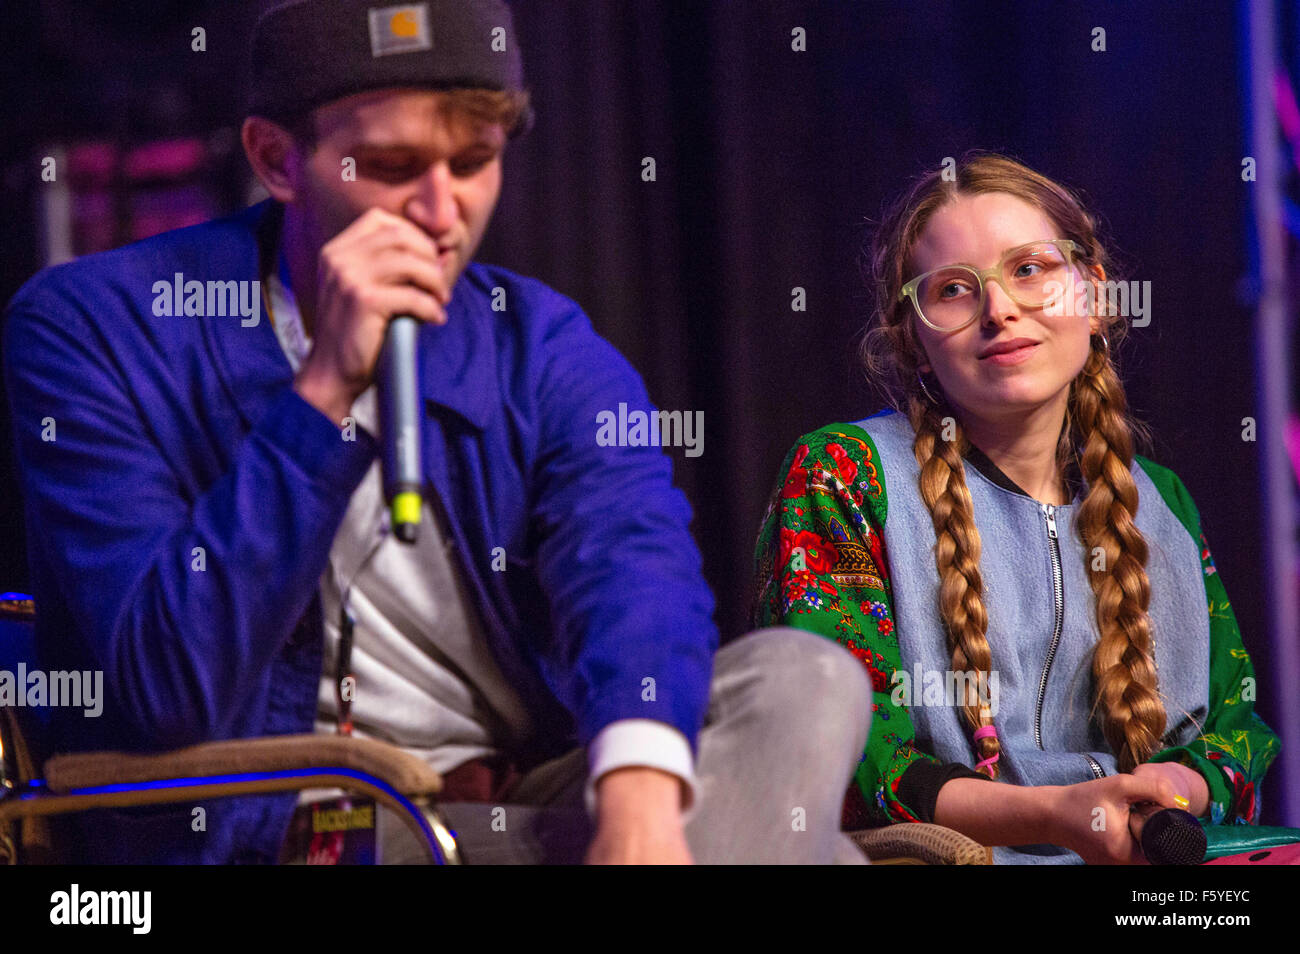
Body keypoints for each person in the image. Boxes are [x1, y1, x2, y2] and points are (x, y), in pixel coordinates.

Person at [3, 0, 870, 864]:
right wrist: (321, 398)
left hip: (518, 808)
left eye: (475, 163)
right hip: (290, 820)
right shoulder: (95, 328)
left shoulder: (540, 343)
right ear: (276, 159)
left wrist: (639, 816)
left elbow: (633, 572)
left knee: (805, 678)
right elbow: (165, 694)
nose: (440, 210)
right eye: (391, 165)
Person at [752, 151, 1281, 864]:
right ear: (911, 336)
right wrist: (1057, 814)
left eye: (1030, 270)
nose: (1000, 309)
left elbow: (1237, 728)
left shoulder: (1160, 502)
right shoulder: (845, 474)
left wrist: (1179, 786)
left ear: (1093, 295)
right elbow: (841, 749)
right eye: (953, 290)